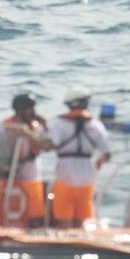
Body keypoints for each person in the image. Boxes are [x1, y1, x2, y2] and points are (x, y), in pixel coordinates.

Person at [46, 86, 111, 229]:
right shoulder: (96, 125)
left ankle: (63, 247)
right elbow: (106, 154)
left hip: (65, 174)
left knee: (63, 219)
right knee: (80, 221)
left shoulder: (59, 123)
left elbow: (50, 144)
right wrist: (98, 162)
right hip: (87, 176)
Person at [1, 92, 48, 228]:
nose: (33, 112)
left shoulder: (35, 126)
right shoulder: (7, 125)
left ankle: (35, 226)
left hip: (30, 166)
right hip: (9, 166)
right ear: (21, 110)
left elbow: (44, 145)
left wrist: (31, 133)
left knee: (34, 198)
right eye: (30, 109)